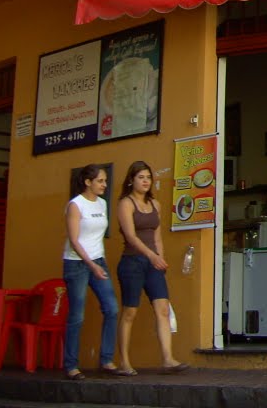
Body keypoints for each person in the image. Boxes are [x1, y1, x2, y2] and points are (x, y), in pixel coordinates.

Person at [115, 160, 188, 375]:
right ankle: (125, 362)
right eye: (141, 177)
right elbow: (130, 236)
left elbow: (157, 237)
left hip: (153, 263)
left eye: (148, 177)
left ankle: (167, 358)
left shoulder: (155, 205)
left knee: (163, 309)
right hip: (132, 263)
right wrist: (151, 256)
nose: (146, 181)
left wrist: (160, 260)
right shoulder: (125, 203)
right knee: (130, 311)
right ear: (131, 180)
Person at [63, 163, 120, 380]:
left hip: (98, 260)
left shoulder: (103, 204)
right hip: (77, 263)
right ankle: (71, 365)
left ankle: (106, 359)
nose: (104, 185)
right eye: (100, 181)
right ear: (88, 182)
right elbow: (74, 240)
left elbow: (97, 236)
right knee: (77, 315)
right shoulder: (75, 205)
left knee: (111, 308)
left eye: (105, 181)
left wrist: (99, 262)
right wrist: (92, 265)